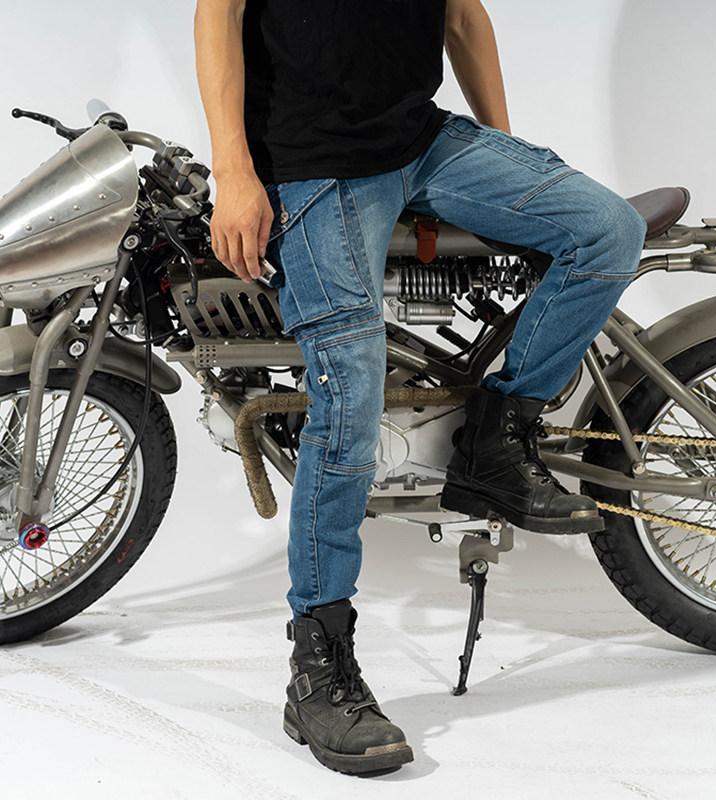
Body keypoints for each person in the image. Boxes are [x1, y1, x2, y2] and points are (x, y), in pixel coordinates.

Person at [194, 0, 646, 775]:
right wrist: (234, 170)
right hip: (313, 162)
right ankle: (317, 666)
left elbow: (463, 17)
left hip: (424, 141)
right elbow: (218, 10)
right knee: (349, 397)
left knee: (608, 229)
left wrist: (505, 146)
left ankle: (495, 438)